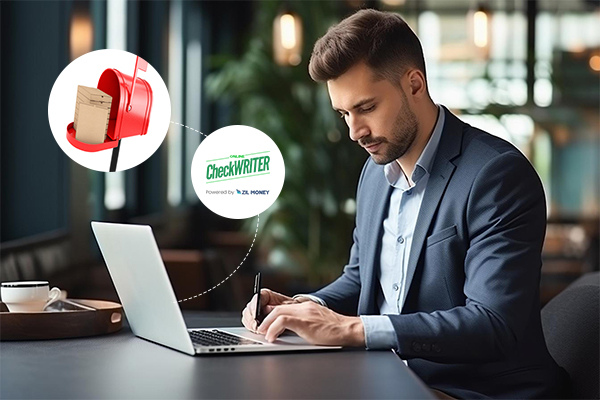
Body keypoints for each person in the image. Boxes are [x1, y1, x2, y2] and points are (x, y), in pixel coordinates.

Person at [241, 9, 568, 399]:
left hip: (472, 390)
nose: (354, 131)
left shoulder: (496, 176)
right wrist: (300, 306)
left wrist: (350, 330)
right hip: (387, 379)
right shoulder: (374, 175)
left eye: (366, 108)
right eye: (343, 113)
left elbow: (492, 324)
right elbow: (361, 279)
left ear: (414, 84)